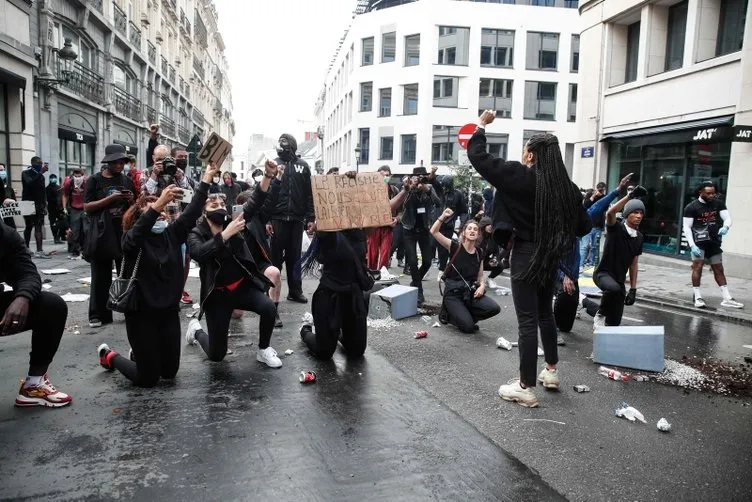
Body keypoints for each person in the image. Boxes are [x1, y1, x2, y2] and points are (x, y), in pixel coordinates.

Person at [468, 110, 590, 408]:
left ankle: (525, 386)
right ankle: (551, 371)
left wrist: (481, 126)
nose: (523, 154)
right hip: (548, 258)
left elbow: (479, 157)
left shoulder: (519, 176)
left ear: (532, 155)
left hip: (525, 254)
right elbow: (583, 227)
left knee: (526, 321)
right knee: (544, 314)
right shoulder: (567, 190)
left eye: (526, 150)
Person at [96, 164, 217, 387]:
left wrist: (207, 178)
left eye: (162, 211)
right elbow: (137, 234)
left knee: (169, 373)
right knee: (148, 378)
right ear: (139, 217)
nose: (160, 213)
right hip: (141, 315)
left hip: (168, 313)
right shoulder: (132, 240)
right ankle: (110, 356)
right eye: (154, 211)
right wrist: (158, 201)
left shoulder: (171, 233)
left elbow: (191, 212)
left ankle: (142, 354)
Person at [185, 160, 282, 368]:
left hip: (241, 287)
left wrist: (268, 176)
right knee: (216, 356)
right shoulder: (196, 233)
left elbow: (256, 200)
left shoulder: (234, 220)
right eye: (214, 206)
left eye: (222, 204)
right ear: (204, 212)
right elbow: (199, 253)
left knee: (268, 307)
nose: (220, 208)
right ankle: (196, 331)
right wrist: (225, 235)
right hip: (217, 296)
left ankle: (264, 349)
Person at [297, 173, 374, 360]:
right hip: (330, 296)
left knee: (356, 351)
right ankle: (306, 330)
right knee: (324, 352)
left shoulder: (360, 230)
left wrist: (405, 190)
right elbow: (323, 204)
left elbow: (383, 210)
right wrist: (338, 181)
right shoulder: (328, 231)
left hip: (353, 296)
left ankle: (339, 334)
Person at [554, 174, 636, 339]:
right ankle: (549, 329)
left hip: (571, 274)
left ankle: (578, 304)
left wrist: (618, 191)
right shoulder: (555, 220)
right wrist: (564, 275)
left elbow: (597, 208)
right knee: (560, 296)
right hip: (554, 271)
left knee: (566, 326)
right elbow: (555, 251)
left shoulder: (576, 218)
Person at [0, 221, 71, 407]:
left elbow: (28, 274)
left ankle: (33, 385)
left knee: (52, 305)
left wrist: (22, 298)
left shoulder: (5, 235)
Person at [83, 144, 136, 328]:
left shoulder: (127, 180)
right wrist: (109, 199)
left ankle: (127, 306)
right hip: (101, 232)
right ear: (109, 162)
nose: (121, 165)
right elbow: (87, 207)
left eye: (123, 161)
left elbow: (134, 206)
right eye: (118, 162)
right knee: (100, 274)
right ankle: (98, 314)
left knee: (126, 272)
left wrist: (131, 200)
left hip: (122, 231)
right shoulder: (94, 180)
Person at [431, 209, 500, 333]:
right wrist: (442, 217)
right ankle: (450, 314)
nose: (472, 231)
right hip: (453, 294)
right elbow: (434, 231)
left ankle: (464, 316)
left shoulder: (479, 252)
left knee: (494, 308)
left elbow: (480, 275)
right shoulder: (455, 246)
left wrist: (482, 287)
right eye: (469, 229)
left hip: (469, 293)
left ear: (479, 234)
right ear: (464, 232)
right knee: (469, 328)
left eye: (475, 229)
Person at [269, 134, 315, 304]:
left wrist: (311, 217)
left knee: (294, 257)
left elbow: (309, 193)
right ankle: (272, 293)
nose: (281, 145)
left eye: (285, 142)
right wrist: (267, 220)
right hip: (277, 218)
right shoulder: (273, 164)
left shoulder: (303, 166)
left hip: (296, 219)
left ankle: (295, 291)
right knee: (274, 258)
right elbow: (265, 193)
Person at [682, 182, 743, 309]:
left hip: (713, 242)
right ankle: (697, 297)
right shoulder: (691, 207)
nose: (711, 195)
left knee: (719, 269)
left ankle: (727, 298)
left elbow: (727, 218)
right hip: (698, 243)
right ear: (700, 192)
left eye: (713, 193)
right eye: (708, 193)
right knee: (697, 267)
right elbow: (687, 228)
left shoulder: (718, 203)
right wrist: (692, 245)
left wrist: (726, 227)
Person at [592, 195, 646, 330]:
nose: (639, 216)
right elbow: (610, 213)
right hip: (603, 274)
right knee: (613, 289)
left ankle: (603, 347)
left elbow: (634, 264)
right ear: (627, 214)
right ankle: (600, 314)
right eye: (635, 212)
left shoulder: (639, 237)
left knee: (614, 323)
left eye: (641, 213)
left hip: (619, 280)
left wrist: (633, 289)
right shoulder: (616, 228)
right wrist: (629, 196)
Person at [236, 182, 284, 328]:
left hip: (258, 264)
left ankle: (273, 312)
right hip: (238, 269)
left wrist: (277, 180)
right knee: (237, 315)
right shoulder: (229, 221)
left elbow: (270, 202)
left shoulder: (259, 217)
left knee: (275, 273)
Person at [398, 167, 442, 305]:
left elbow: (438, 203)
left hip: (423, 229)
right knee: (412, 262)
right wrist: (410, 189)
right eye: (416, 176)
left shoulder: (428, 188)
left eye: (422, 176)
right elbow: (403, 205)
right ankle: (419, 291)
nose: (419, 179)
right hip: (408, 229)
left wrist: (426, 189)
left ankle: (415, 282)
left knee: (428, 262)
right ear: (412, 178)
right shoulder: (407, 188)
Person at [366, 165, 401, 271]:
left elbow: (401, 209)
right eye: (381, 175)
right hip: (374, 227)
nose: (384, 177)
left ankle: (383, 274)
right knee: (373, 253)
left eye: (386, 175)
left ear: (390, 176)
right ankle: (371, 273)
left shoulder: (394, 190)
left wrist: (397, 219)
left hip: (388, 228)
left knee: (386, 253)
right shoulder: (370, 191)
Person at [21, 156, 48, 258]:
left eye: (41, 164)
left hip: (39, 204)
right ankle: (26, 247)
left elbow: (43, 191)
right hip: (28, 203)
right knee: (28, 226)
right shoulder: (25, 173)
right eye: (38, 164)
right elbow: (29, 184)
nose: (40, 165)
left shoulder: (41, 176)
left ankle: (39, 250)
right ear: (33, 164)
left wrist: (45, 204)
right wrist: (40, 173)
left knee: (38, 226)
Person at [62, 169, 87, 259]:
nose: (77, 178)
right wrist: (64, 208)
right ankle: (75, 251)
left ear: (82, 176)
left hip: (84, 208)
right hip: (74, 208)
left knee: (85, 230)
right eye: (75, 176)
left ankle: (85, 251)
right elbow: (65, 195)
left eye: (79, 176)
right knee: (75, 231)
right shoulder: (69, 183)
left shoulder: (86, 182)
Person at [46, 174, 65, 245]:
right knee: (53, 223)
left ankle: (60, 235)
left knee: (63, 222)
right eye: (52, 178)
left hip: (60, 208)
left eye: (54, 178)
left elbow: (61, 197)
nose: (53, 179)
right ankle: (55, 237)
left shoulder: (58, 187)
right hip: (52, 208)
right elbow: (48, 199)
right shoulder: (47, 188)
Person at [0, 163, 18, 228]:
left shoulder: (9, 189)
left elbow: (15, 203)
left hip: (8, 218)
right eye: (0, 170)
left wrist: (11, 201)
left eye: (3, 170)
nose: (2, 172)